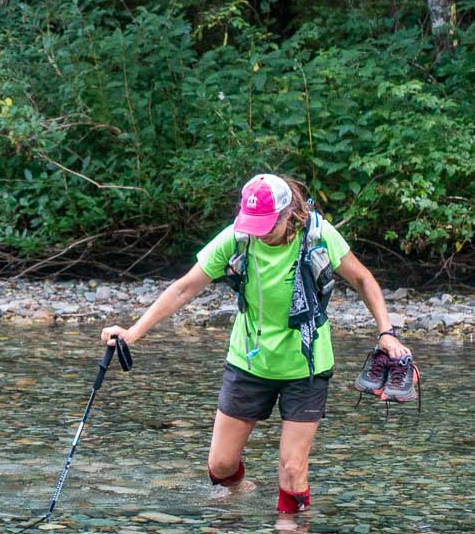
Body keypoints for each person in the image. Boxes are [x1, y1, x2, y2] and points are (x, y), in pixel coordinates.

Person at [100, 173, 413, 514]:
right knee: (220, 466)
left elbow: (363, 279)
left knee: (292, 470)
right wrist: (134, 332)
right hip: (249, 361)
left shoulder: (318, 235)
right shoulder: (236, 238)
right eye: (253, 223)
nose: (257, 231)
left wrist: (386, 332)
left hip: (305, 366)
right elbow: (184, 288)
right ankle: (238, 506)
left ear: (289, 213)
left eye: (265, 224)